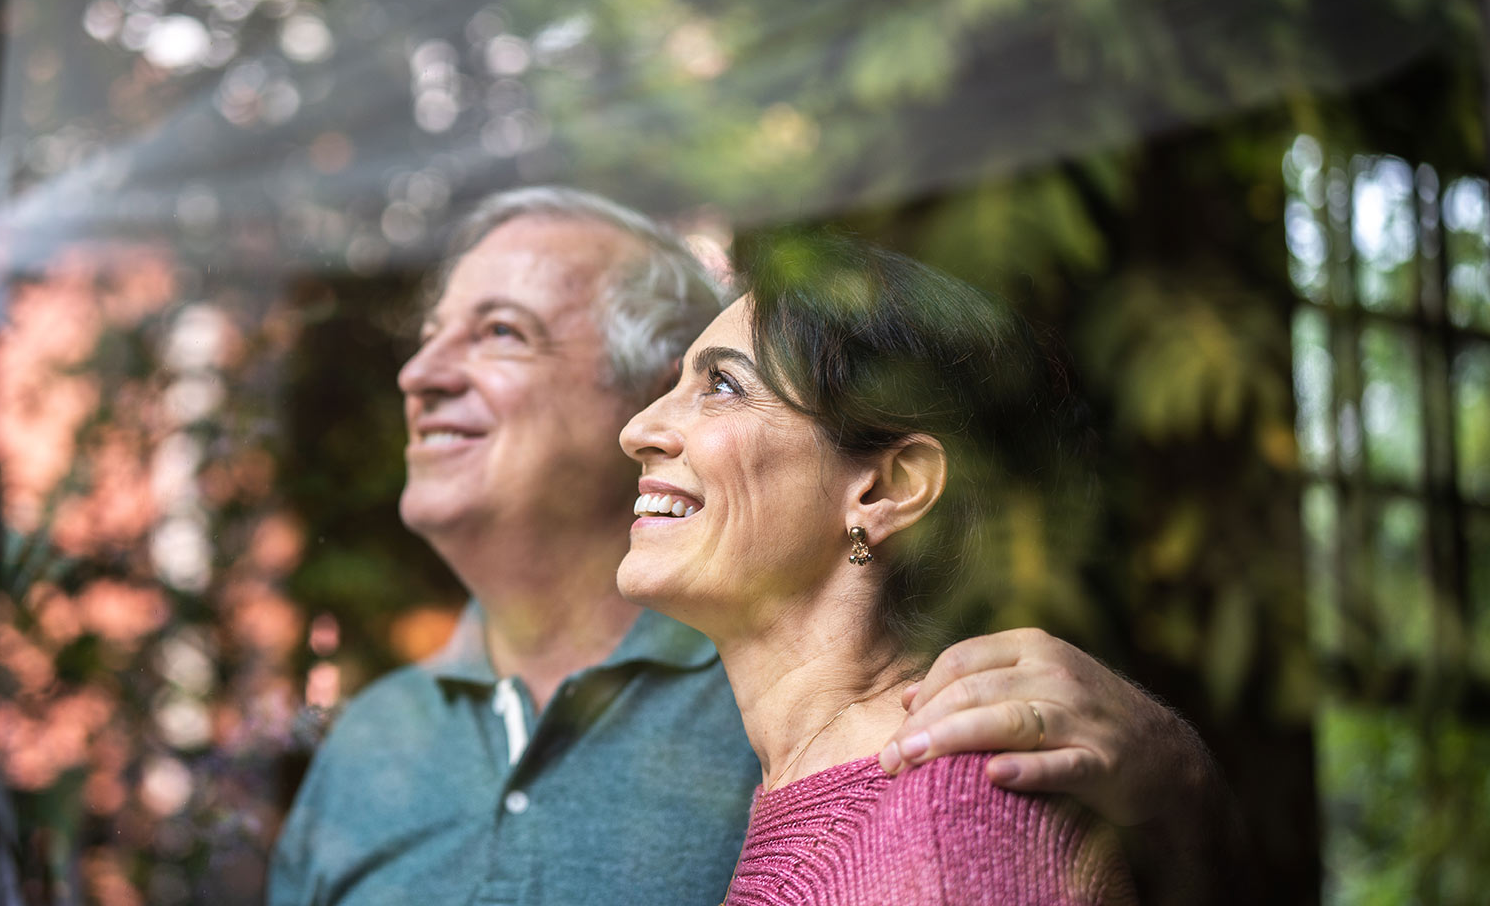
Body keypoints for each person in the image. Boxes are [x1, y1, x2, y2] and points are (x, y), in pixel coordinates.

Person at [268, 188, 1223, 906]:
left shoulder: (941, 795)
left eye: (502, 333)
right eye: (431, 335)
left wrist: (1175, 783)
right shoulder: (368, 745)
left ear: (886, 488)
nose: (418, 374)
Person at [617, 235, 1132, 903]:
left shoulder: (953, 823)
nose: (637, 429)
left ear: (884, 491)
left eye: (722, 385)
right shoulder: (819, 789)